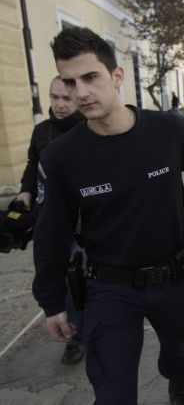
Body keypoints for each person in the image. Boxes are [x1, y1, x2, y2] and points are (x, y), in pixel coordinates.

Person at [32, 27, 184, 405]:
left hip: (173, 277)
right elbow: (52, 232)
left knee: (177, 351)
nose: (80, 92)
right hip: (110, 289)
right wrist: (52, 303)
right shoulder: (62, 157)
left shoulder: (167, 129)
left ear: (116, 76)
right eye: (70, 82)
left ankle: (177, 380)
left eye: (90, 77)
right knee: (112, 391)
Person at [16, 76, 85, 365]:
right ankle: (73, 339)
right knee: (60, 281)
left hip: (84, 225)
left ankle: (88, 331)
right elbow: (33, 165)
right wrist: (25, 192)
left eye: (66, 98)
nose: (59, 104)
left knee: (81, 281)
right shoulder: (42, 131)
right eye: (54, 97)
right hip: (50, 223)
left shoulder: (89, 131)